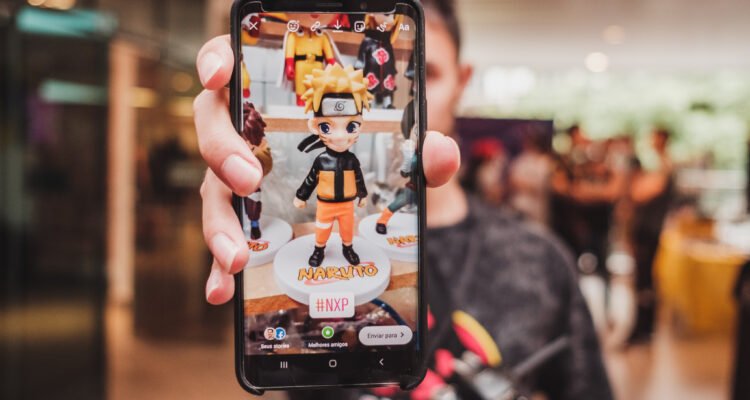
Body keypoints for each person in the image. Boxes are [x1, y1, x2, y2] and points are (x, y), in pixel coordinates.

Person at [192, 0, 612, 398]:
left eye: (424, 73)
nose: (397, 97)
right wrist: (257, 196)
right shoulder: (291, 241)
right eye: (377, 77)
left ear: (463, 80)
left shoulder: (540, 263)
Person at [628, 128, 674, 343]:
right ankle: (643, 326)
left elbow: (639, 194)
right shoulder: (658, 166)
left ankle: (644, 327)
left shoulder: (663, 166)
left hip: (649, 231)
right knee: (642, 279)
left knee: (645, 280)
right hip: (646, 230)